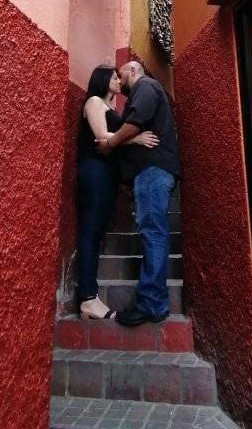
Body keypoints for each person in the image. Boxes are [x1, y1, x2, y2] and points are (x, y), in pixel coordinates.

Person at [95, 61, 180, 327]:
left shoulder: (145, 86)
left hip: (153, 171)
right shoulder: (149, 89)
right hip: (151, 173)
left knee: (153, 232)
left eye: (121, 76)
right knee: (152, 232)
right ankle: (154, 303)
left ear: (133, 72)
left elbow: (136, 121)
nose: (120, 83)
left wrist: (111, 142)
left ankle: (151, 304)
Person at [77, 65, 159, 320]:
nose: (118, 79)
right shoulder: (93, 102)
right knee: (90, 230)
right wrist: (135, 139)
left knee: (98, 231)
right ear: (102, 80)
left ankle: (89, 296)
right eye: (113, 76)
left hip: (108, 174)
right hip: (95, 170)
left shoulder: (113, 109)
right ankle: (88, 299)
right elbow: (102, 137)